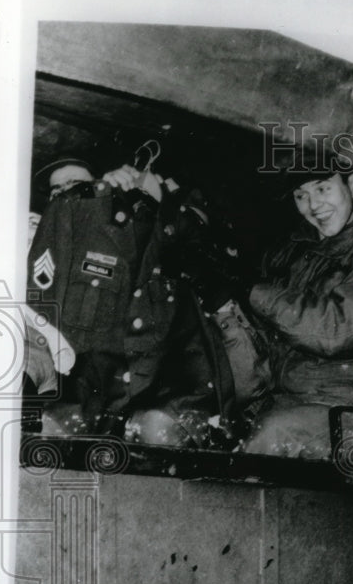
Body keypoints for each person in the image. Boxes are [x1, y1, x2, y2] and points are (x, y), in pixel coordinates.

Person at [27, 156, 237, 443]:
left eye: (77, 185)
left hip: (144, 391)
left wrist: (157, 194)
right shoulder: (37, 236)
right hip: (77, 388)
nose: (66, 194)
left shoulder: (144, 233)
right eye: (56, 190)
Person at [233, 160, 353, 458]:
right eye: (301, 195)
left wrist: (253, 291)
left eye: (323, 188)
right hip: (291, 401)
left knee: (273, 437)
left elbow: (337, 330)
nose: (313, 205)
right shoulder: (291, 253)